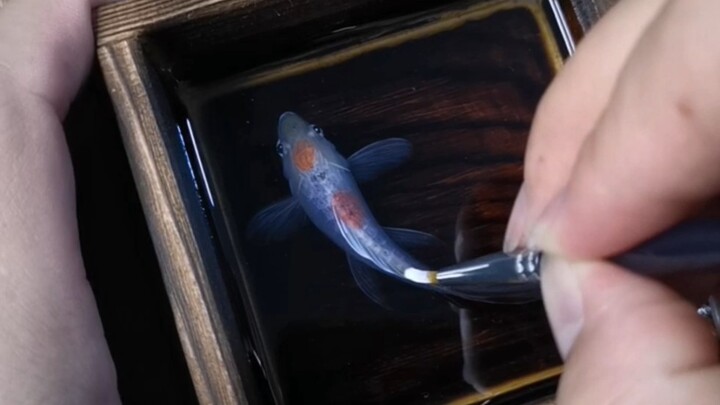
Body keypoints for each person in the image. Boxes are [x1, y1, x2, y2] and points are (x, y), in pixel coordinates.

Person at [0, 0, 716, 404]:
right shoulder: (340, 167)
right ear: (331, 158)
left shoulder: (302, 190)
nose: (303, 143)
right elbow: (389, 154)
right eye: (301, 146)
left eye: (302, 143)